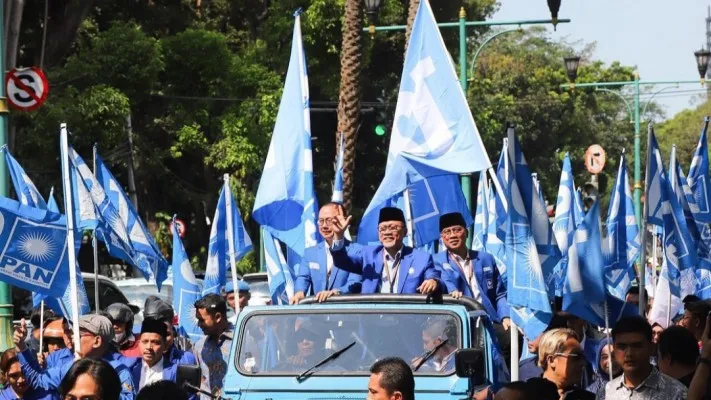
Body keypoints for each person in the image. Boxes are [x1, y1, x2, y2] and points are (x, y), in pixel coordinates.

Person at [13, 315, 136, 400]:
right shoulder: (71, 367)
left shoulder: (120, 370)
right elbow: (38, 380)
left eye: (78, 334)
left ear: (97, 341)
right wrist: (21, 346)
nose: (72, 337)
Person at [329, 207, 440, 295]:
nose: (387, 233)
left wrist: (433, 281)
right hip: (374, 317)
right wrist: (338, 236)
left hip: (407, 318)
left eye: (393, 228)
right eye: (382, 229)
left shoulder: (421, 258)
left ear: (405, 231)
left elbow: (433, 275)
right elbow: (341, 261)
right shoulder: (368, 255)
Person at [433, 212, 510, 326]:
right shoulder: (436, 261)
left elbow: (500, 294)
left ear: (467, 232)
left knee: (514, 337)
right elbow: (442, 281)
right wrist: (452, 290)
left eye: (457, 230)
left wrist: (505, 316)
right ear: (442, 238)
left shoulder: (485, 258)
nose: (453, 235)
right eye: (447, 232)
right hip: (458, 323)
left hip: (489, 320)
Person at [597, 316, 687, 399]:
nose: (629, 353)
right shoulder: (607, 391)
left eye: (636, 346)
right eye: (622, 346)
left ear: (651, 348)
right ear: (615, 350)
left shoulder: (677, 392)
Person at [291, 203, 363, 304]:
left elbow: (355, 283)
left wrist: (336, 293)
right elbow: (303, 277)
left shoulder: (357, 251)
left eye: (329, 221)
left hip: (345, 313)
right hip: (317, 314)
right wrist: (299, 292)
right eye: (321, 221)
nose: (324, 226)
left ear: (343, 221)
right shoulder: (310, 252)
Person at [130, 318, 195, 399]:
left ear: (164, 345)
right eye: (145, 341)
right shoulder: (131, 369)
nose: (149, 347)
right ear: (139, 343)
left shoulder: (176, 372)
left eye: (155, 342)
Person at [192, 294, 233, 399]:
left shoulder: (242, 340)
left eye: (202, 320)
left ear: (218, 317)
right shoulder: (199, 347)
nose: (198, 324)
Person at [536, 328, 591, 398]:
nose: (583, 363)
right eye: (577, 356)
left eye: (583, 357)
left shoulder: (588, 398)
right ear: (552, 360)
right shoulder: (528, 395)